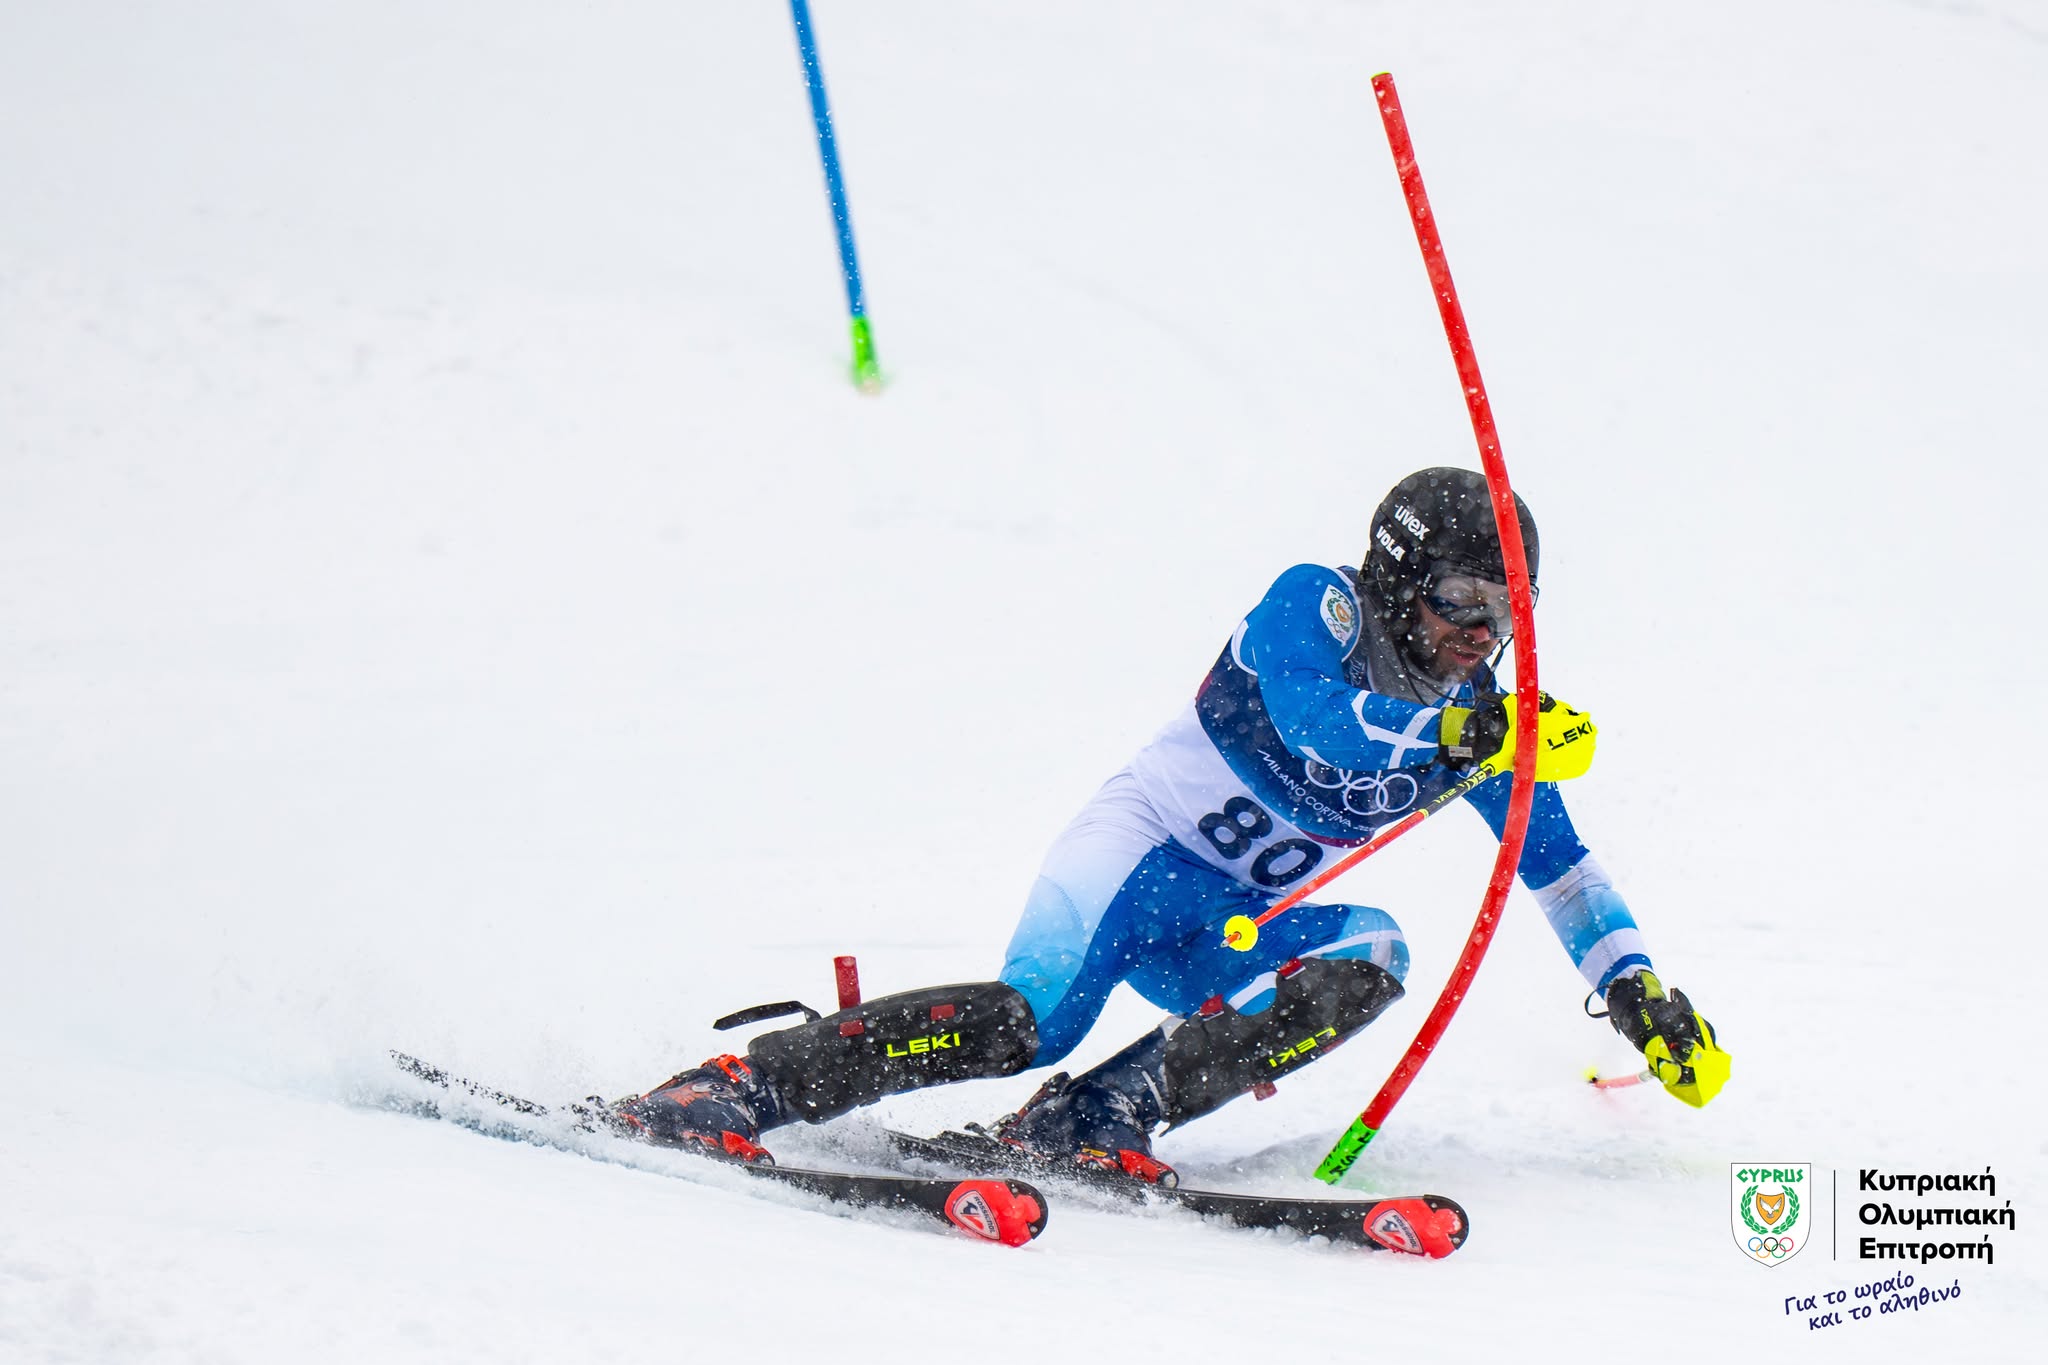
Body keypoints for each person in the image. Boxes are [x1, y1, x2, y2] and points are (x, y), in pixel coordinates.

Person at [613, 467, 1730, 1180]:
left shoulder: (1479, 720)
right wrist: (1459, 734)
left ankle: (1095, 1117)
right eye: (1461, 602)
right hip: (1133, 865)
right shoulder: (1320, 605)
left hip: (1227, 928)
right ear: (1400, 579)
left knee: (1375, 950)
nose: (1480, 638)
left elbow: (1561, 870)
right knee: (1027, 1024)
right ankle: (739, 1086)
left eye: (1506, 612)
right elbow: (1317, 719)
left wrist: (1640, 995)